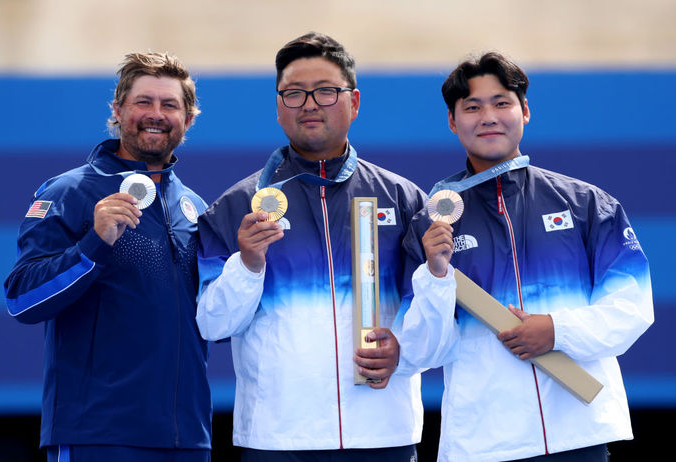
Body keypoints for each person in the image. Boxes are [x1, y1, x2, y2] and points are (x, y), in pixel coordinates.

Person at [396, 51, 655, 461]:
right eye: (472, 107)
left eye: (502, 103)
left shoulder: (587, 204)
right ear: (452, 120)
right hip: (484, 441)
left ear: (525, 110)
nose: (488, 116)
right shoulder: (429, 224)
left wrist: (556, 329)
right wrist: (437, 275)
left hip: (579, 433)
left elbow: (632, 309)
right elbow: (422, 350)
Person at [195, 32, 427, 461]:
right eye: (294, 94)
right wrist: (247, 264)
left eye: (325, 91)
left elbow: (433, 312)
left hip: (382, 433)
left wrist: (406, 350)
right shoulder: (235, 206)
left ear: (354, 102)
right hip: (278, 439)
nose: (309, 104)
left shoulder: (404, 200)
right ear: (278, 107)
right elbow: (213, 325)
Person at [4, 52, 212, 462]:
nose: (156, 114)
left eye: (170, 105)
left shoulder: (195, 207)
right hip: (97, 435)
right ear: (117, 110)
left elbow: (213, 318)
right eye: (143, 102)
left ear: (188, 119)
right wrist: (94, 243)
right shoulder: (69, 192)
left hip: (187, 438)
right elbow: (20, 299)